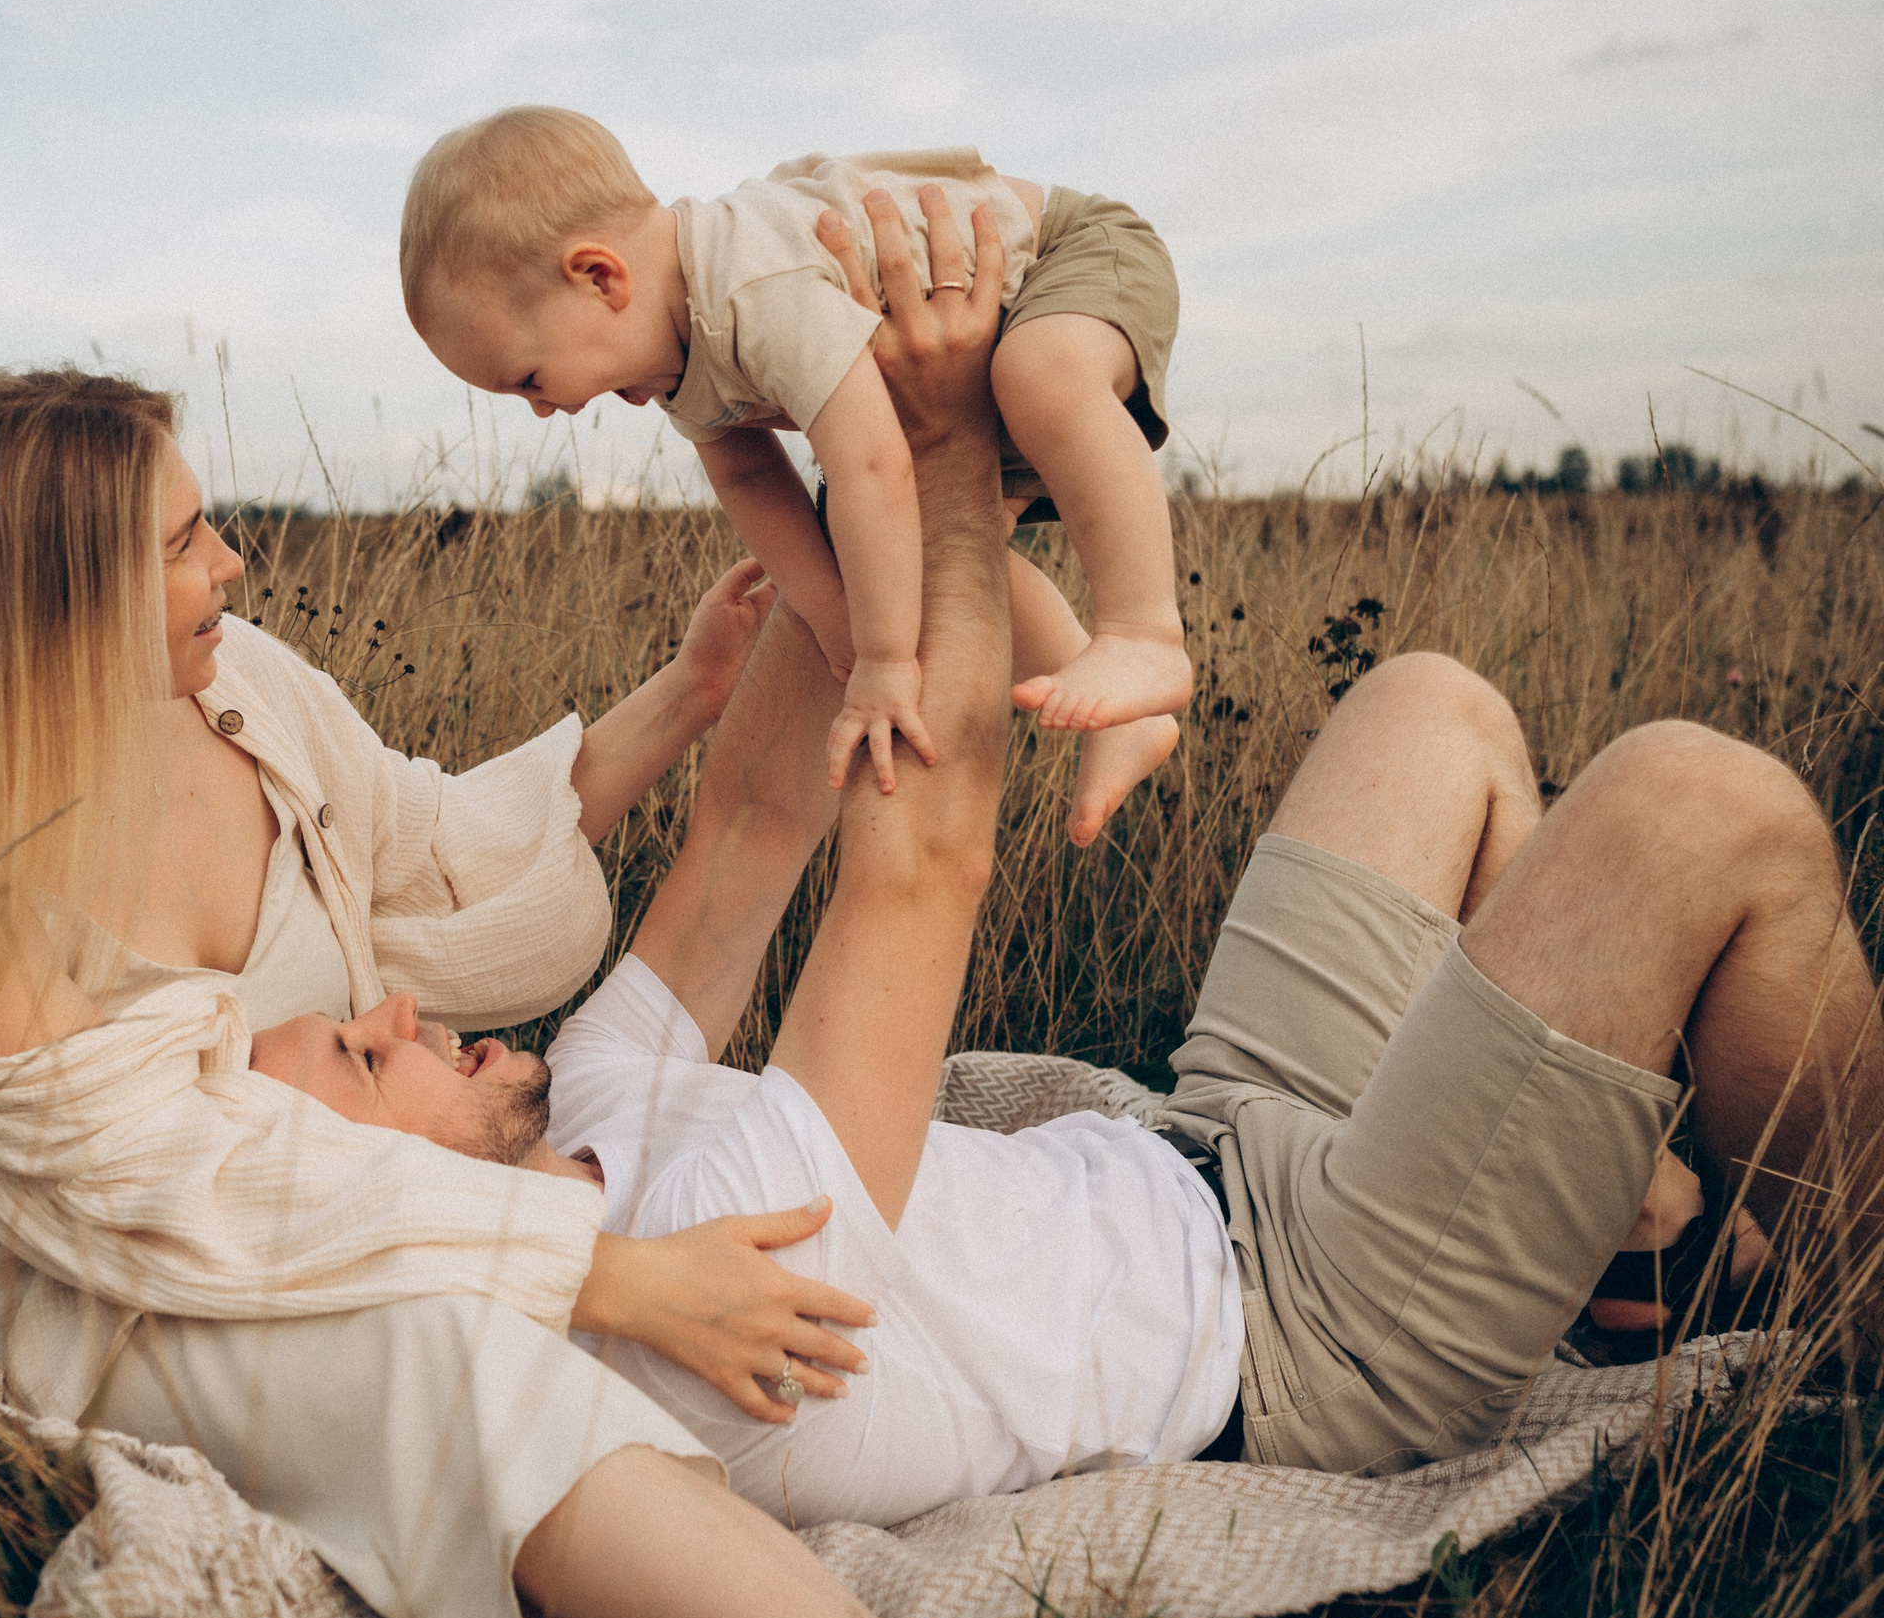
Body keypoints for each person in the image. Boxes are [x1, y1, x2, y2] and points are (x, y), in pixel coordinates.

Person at [289, 183, 1882, 1516]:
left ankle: (1643, 1215)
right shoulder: (687, 1302)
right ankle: (1865, 1306)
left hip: (1214, 1144)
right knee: (1701, 802)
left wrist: (836, 385)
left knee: (1433, 710)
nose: (399, 1006)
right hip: (1303, 1329)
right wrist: (939, 438)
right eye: (368, 1062)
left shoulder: (583, 1092)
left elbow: (755, 824)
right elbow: (921, 860)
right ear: (389, 1206)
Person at [0, 361, 980, 1618]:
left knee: (502, 1327)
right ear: (54, 605)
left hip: (376, 1180)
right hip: (127, 1290)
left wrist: (688, 690)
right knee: (436, 1341)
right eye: (181, 544)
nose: (234, 562)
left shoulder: (231, 686)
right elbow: (195, 1191)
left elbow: (437, 842)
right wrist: (611, 1272)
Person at [399, 105, 1185, 844]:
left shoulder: (748, 285)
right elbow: (749, 483)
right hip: (968, 362)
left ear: (601, 278)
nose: (540, 410)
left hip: (1064, 262)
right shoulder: (678, 359)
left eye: (529, 378)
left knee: (1040, 373)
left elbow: (870, 464)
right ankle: (1125, 719)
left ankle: (1144, 632)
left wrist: (883, 662)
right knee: (940, 553)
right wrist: (839, 618)